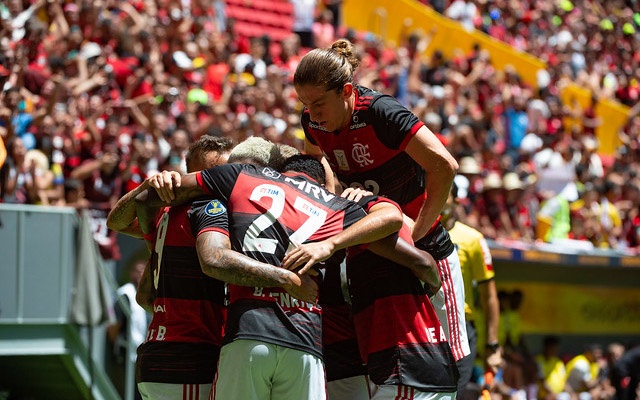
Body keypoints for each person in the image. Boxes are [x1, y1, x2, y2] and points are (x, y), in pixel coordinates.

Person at [135, 148, 406, 400]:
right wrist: (331, 244)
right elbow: (392, 217)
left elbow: (143, 200)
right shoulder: (334, 205)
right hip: (305, 340)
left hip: (247, 332)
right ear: (322, 182)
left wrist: (157, 191)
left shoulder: (243, 178)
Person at [293, 37, 469, 384]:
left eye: (319, 103)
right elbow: (314, 164)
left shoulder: (381, 112)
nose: (311, 114)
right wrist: (336, 199)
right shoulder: (312, 123)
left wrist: (417, 232)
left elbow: (444, 165)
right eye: (304, 104)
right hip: (371, 250)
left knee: (452, 361)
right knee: (383, 368)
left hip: (426, 247)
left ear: (346, 91)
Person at [107, 135, 236, 400]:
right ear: (191, 176)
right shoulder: (206, 211)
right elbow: (115, 222)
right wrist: (148, 185)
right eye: (214, 175)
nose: (224, 182)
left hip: (163, 354)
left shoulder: (166, 215)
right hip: (189, 357)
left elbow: (145, 297)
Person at [441, 181, 502, 398]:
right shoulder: (417, 232)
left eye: (444, 193)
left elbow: (489, 295)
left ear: (456, 202)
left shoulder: (473, 239)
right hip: (427, 324)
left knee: (455, 393)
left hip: (461, 328)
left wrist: (492, 346)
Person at [107, 258, 149, 400]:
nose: (141, 274)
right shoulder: (126, 294)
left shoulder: (143, 296)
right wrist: (117, 346)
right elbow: (114, 324)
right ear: (131, 274)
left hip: (139, 356)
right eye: (138, 271)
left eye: (144, 271)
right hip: (125, 355)